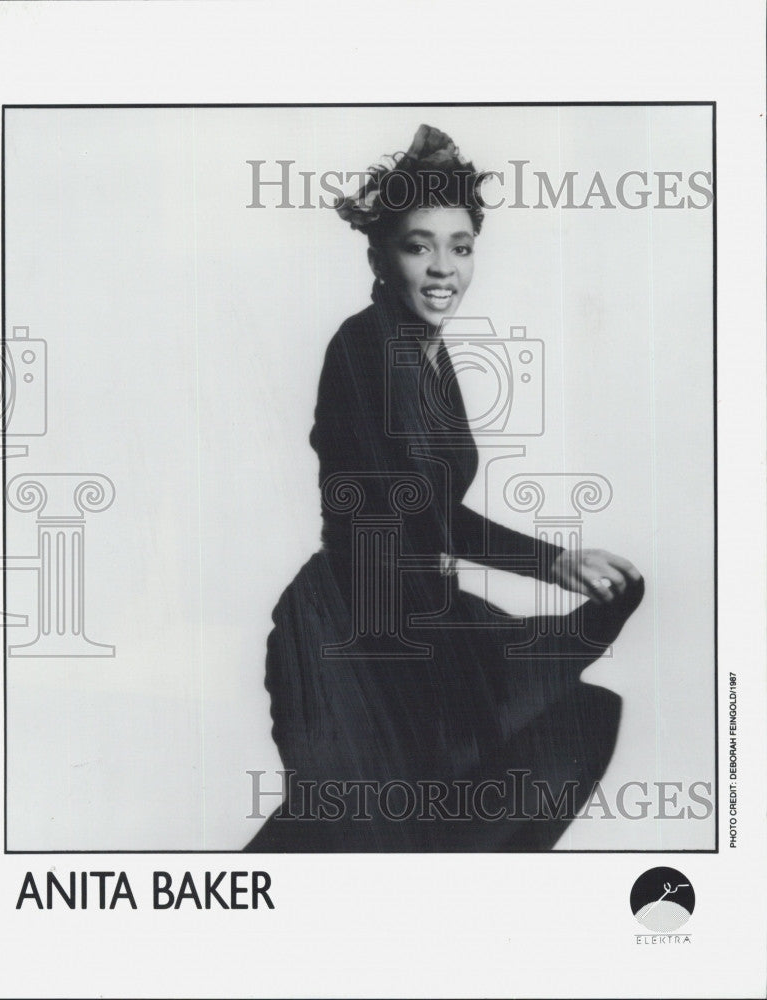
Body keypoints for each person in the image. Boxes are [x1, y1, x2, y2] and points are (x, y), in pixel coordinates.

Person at [244, 125, 644, 852]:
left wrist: (560, 567)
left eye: (461, 247)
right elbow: (407, 515)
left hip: (419, 620)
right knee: (360, 846)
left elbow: (432, 514)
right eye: (418, 244)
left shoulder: (430, 357)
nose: (442, 268)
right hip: (352, 632)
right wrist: (548, 564)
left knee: (569, 728)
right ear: (378, 256)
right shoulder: (363, 350)